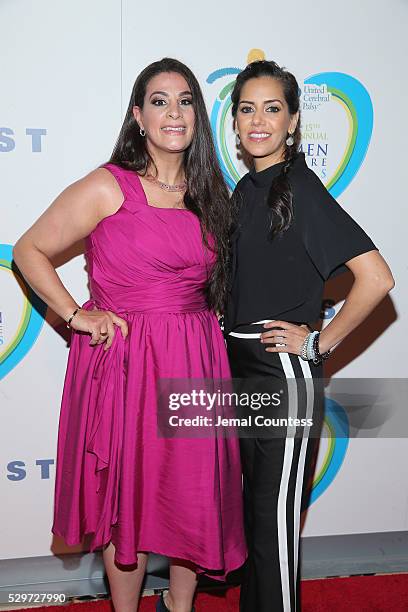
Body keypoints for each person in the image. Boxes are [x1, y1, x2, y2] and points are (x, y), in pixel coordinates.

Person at [13, 57, 246, 612]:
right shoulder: (107, 185)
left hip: (195, 355)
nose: (174, 111)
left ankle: (180, 606)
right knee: (129, 498)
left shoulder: (212, 195)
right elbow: (29, 250)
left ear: (198, 116)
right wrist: (75, 314)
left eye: (185, 100)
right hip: (127, 363)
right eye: (159, 101)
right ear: (138, 116)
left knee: (193, 494)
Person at [224, 60, 394, 612]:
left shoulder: (298, 185)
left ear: (293, 121)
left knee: (273, 529)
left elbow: (376, 278)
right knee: (256, 519)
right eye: (247, 108)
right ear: (234, 122)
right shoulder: (246, 191)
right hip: (242, 370)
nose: (258, 121)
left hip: (282, 375)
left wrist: (318, 342)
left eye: (272, 108)